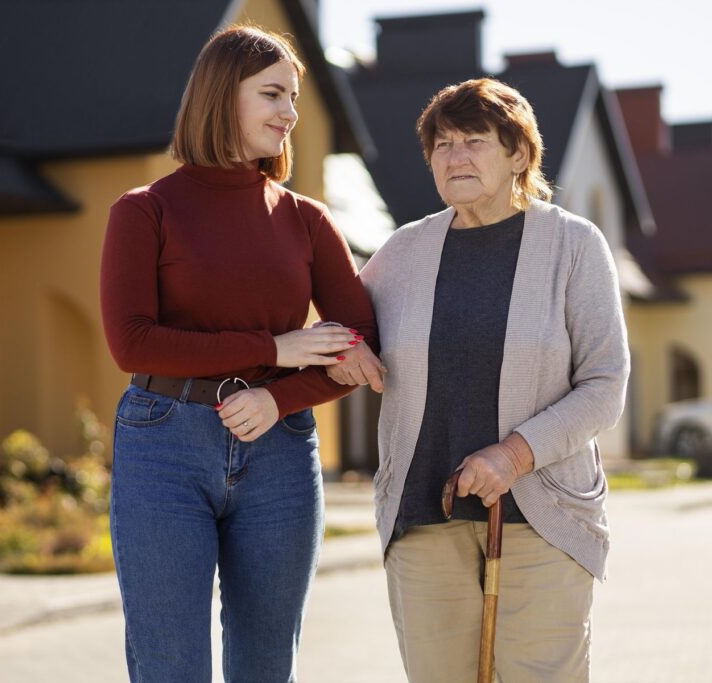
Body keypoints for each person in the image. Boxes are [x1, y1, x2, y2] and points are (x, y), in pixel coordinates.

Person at [99, 26, 378, 683]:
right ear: (223, 97)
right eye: (273, 94)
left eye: (295, 97)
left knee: (265, 666)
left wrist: (278, 394)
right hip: (163, 445)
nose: (291, 113)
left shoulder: (308, 219)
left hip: (281, 449)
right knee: (171, 666)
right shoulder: (143, 212)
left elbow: (360, 339)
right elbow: (130, 341)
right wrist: (274, 347)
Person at [329, 78, 629, 682]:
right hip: (424, 515)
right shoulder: (403, 251)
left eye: (474, 141)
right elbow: (345, 330)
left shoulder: (574, 245)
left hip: (543, 517)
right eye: (441, 145)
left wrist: (514, 456)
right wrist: (344, 350)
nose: (454, 156)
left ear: (519, 154)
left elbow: (604, 383)